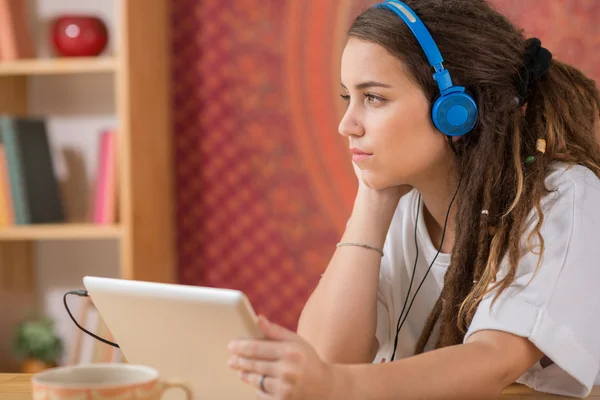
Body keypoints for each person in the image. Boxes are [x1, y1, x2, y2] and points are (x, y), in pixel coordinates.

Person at [227, 0, 600, 398]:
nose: (346, 125)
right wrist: (372, 201)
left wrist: (337, 384)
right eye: (346, 98)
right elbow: (326, 358)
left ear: (456, 111)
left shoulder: (563, 199)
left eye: (373, 98)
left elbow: (493, 360)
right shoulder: (405, 205)